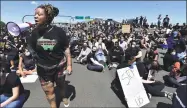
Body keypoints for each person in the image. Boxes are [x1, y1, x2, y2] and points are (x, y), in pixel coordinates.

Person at [27, 4, 72, 108]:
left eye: (39, 14)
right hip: (43, 69)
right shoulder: (33, 33)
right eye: (35, 14)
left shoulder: (59, 31)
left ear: (48, 17)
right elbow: (32, 49)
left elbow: (66, 48)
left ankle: (63, 95)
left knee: (61, 85)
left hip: (59, 65)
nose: (35, 16)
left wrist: (69, 65)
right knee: (49, 92)